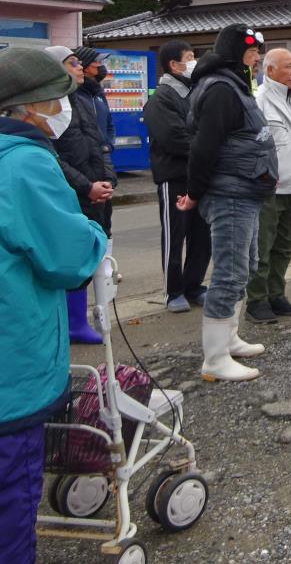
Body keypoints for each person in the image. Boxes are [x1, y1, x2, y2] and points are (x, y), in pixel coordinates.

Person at [0, 47, 108, 564]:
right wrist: (91, 233)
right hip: (10, 371)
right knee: (10, 503)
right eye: (53, 100)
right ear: (28, 107)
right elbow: (68, 260)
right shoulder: (24, 163)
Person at [176, 24, 277, 382]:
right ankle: (215, 358)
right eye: (253, 52)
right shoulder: (221, 88)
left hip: (244, 189)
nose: (258, 58)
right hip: (230, 192)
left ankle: (229, 338)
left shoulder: (233, 84)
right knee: (230, 272)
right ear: (236, 52)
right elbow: (204, 147)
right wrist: (195, 192)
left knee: (245, 266)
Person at [44, 45, 116, 344]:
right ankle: (72, 323)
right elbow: (51, 157)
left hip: (95, 188)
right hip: (72, 192)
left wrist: (108, 179)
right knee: (71, 257)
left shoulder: (84, 99)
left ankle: (84, 318)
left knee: (91, 255)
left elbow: (99, 143)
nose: (80, 67)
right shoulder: (46, 105)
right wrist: (85, 186)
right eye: (71, 63)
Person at [142, 39, 211, 313]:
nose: (194, 61)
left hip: (200, 174)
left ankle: (194, 286)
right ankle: (173, 291)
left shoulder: (195, 91)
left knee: (202, 234)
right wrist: (206, 147)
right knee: (175, 233)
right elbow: (173, 138)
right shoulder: (162, 97)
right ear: (173, 64)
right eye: (189, 57)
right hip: (175, 176)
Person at [244, 48, 291, 323]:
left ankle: (277, 294)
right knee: (263, 246)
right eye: (287, 67)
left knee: (285, 245)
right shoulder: (258, 101)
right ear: (270, 70)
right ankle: (256, 300)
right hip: (268, 187)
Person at [74, 46, 115, 155]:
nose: (100, 65)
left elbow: (109, 122)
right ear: (85, 66)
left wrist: (109, 145)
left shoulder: (98, 92)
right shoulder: (75, 94)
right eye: (96, 61)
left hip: (104, 154)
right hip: (86, 155)